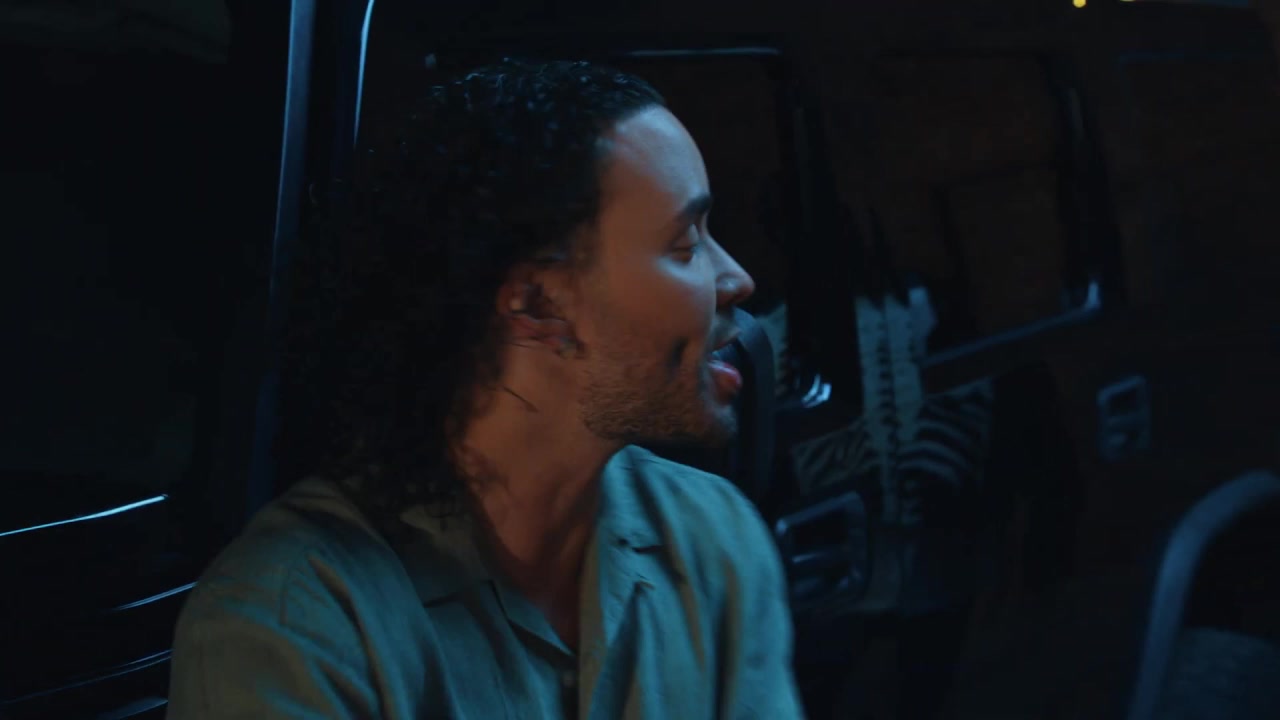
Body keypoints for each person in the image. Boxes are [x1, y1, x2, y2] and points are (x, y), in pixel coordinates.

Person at [166, 59, 805, 719]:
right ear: (536, 304)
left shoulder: (711, 539)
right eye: (685, 244)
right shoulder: (297, 620)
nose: (737, 278)